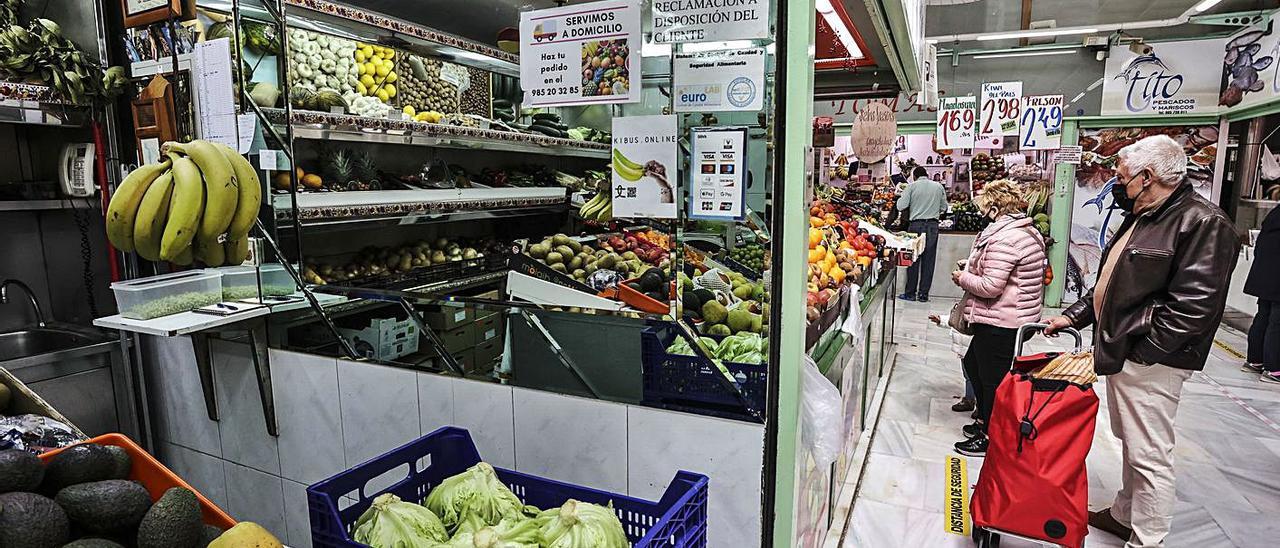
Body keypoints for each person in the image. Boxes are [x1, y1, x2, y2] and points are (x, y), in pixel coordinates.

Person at [1043, 135, 1241, 548]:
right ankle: (1124, 514)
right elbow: (1113, 282)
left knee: (1149, 451)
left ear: (1147, 177)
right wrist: (1074, 314)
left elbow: (1195, 307)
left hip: (1150, 359)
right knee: (1131, 440)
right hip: (1124, 349)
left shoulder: (1203, 222)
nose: (1115, 184)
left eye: (1121, 176)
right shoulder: (1145, 214)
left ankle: (1148, 538)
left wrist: (1142, 353)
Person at [947, 180, 1046, 456]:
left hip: (1002, 320)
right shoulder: (1024, 231)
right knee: (974, 365)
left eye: (984, 207)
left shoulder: (1006, 238)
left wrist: (963, 277)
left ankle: (991, 437)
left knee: (993, 379)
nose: (981, 212)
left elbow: (991, 286)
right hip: (1009, 316)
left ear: (994, 207)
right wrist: (973, 267)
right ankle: (984, 421)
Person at [897, 165, 948, 302]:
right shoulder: (938, 187)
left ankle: (910, 293)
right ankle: (923, 295)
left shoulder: (912, 187)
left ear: (914, 176)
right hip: (932, 226)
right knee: (929, 261)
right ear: (926, 174)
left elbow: (900, 206)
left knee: (913, 259)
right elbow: (944, 208)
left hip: (915, 226)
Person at [1243, 205, 1280, 383]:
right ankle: (1274, 368)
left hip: (1266, 275)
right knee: (1277, 321)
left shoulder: (1275, 215)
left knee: (1263, 316)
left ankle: (1255, 360)